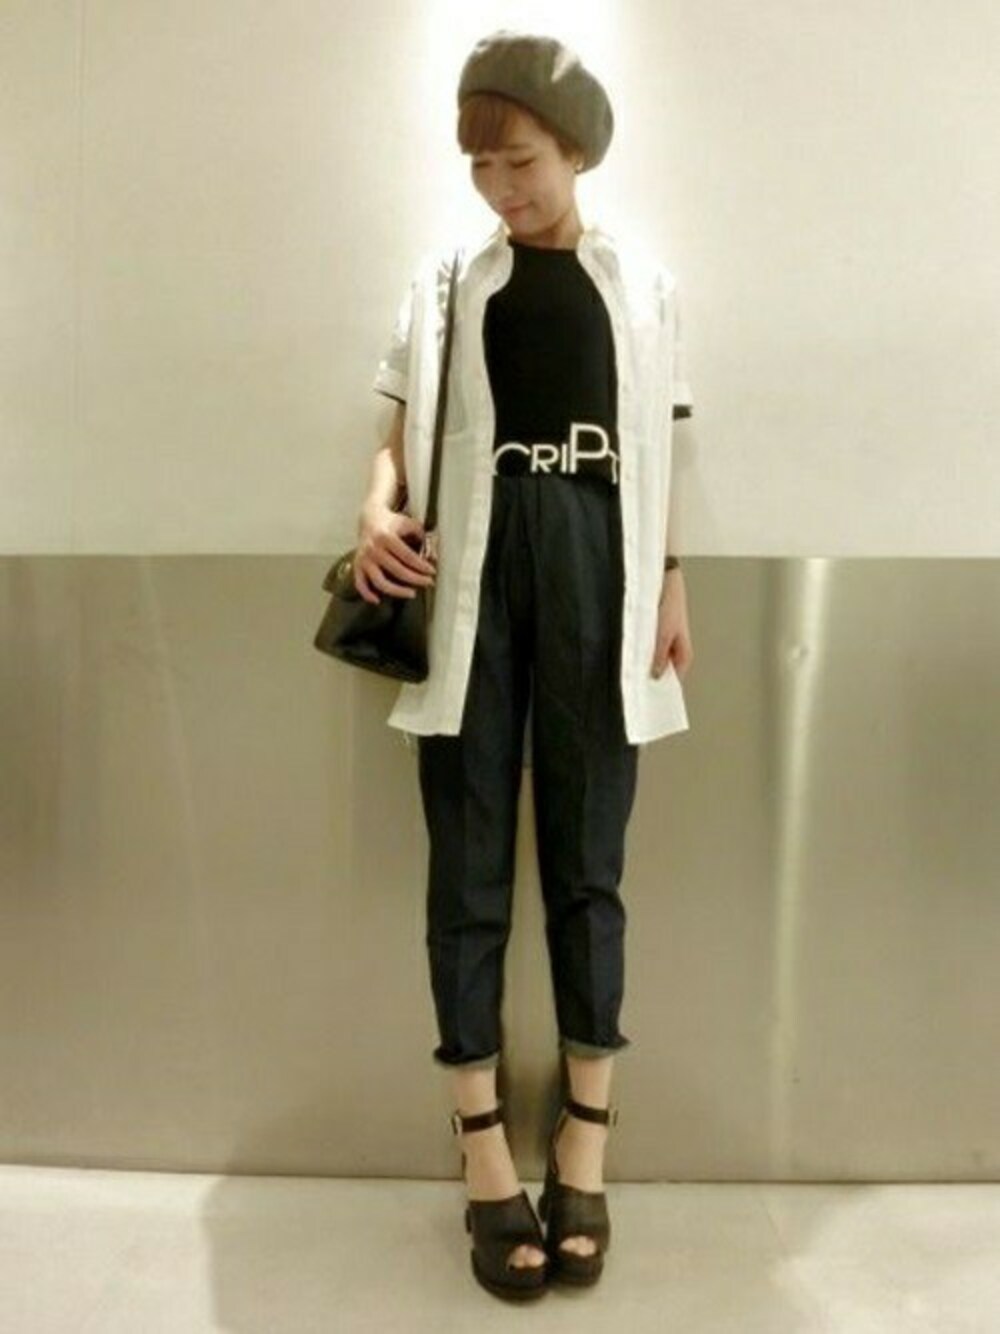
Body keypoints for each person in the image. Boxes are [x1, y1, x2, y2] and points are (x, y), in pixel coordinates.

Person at [353, 29, 695, 1301]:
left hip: (601, 560)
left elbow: (659, 450)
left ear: (576, 149)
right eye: (483, 165)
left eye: (523, 160)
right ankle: (483, 1147)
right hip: (473, 569)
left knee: (590, 859)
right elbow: (397, 426)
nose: (501, 186)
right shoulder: (448, 279)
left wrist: (668, 574)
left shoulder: (641, 283)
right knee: (470, 857)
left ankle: (585, 1140)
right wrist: (373, 510)